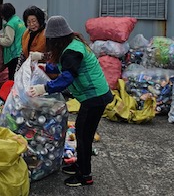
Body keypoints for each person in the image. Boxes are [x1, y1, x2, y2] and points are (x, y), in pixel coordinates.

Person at [27, 15, 113, 187]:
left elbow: (66, 76)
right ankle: (79, 165)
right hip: (93, 96)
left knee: (83, 136)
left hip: (94, 98)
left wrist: (44, 88)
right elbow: (61, 65)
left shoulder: (72, 51)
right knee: (82, 133)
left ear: (57, 38)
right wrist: (43, 63)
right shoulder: (72, 45)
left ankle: (85, 176)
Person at [0, 3, 26, 80]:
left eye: (1, 14)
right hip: (21, 53)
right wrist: (1, 35)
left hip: (14, 56)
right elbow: (15, 36)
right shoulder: (19, 21)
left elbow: (8, 41)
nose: (1, 17)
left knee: (12, 79)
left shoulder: (10, 24)